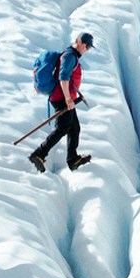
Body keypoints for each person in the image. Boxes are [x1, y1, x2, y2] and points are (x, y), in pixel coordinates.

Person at [30, 32, 93, 173]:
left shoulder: (72, 55)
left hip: (65, 97)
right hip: (62, 98)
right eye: (87, 46)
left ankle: (73, 159)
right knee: (63, 128)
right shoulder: (70, 56)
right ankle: (39, 154)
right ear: (80, 42)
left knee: (74, 128)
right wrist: (68, 98)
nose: (87, 50)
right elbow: (63, 77)